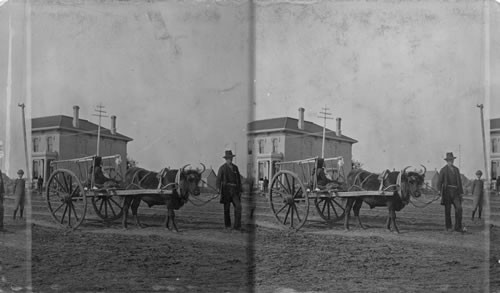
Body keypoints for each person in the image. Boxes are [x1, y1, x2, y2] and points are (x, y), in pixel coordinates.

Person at [437, 152, 464, 232]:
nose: (451, 162)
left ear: (453, 160)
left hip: (456, 192)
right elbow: (439, 182)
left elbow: (459, 182)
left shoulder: (456, 170)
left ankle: (458, 227)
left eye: (452, 160)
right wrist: (439, 191)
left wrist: (461, 193)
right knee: (447, 210)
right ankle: (448, 227)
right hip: (447, 192)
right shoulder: (443, 170)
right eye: (449, 160)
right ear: (447, 161)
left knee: (459, 208)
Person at [216, 150, 242, 231]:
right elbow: (218, 180)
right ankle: (227, 225)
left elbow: (238, 180)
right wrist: (218, 189)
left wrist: (240, 190)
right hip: (226, 191)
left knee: (238, 207)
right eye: (228, 158)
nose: (230, 160)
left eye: (231, 158)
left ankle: (237, 226)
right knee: (226, 209)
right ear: (226, 159)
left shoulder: (235, 168)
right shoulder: (222, 168)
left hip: (235, 191)